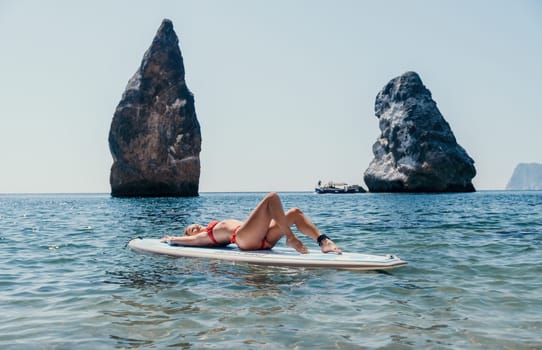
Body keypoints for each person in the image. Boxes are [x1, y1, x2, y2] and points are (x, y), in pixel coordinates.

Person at [161, 192, 342, 254]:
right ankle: (290, 237)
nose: (196, 228)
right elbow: (189, 241)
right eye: (192, 230)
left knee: (295, 213)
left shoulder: (209, 228)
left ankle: (324, 242)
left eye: (196, 225)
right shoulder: (202, 237)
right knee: (272, 198)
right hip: (244, 239)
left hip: (258, 238)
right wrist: (172, 239)